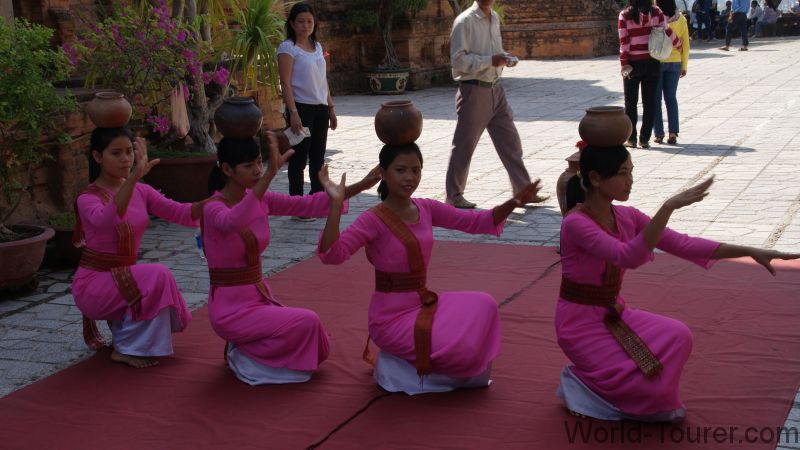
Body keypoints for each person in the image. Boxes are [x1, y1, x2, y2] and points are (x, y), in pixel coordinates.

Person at [555, 144, 799, 421]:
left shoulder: (627, 216)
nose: (630, 180)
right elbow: (627, 256)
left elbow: (683, 243)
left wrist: (749, 250)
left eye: (631, 172)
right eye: (623, 173)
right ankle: (579, 383)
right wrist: (668, 207)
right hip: (579, 325)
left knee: (677, 335)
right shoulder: (575, 223)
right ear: (596, 178)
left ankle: (612, 389)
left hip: (613, 313)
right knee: (647, 393)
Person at [317, 143, 541, 394]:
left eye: (416, 170)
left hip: (422, 304)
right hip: (389, 319)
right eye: (401, 170)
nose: (409, 178)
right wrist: (336, 205)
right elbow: (333, 254)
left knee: (485, 305)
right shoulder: (373, 219)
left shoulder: (426, 208)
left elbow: (477, 221)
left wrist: (514, 202)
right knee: (456, 345)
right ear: (383, 172)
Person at [202, 132, 379, 385]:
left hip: (258, 299)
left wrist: (362, 185)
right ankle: (241, 355)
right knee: (307, 322)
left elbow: (310, 204)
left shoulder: (261, 200)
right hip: (228, 310)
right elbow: (233, 221)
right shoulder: (213, 208)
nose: (257, 170)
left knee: (311, 337)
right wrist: (270, 175)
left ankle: (245, 346)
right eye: (249, 165)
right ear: (227, 169)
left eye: (259, 162)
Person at [72, 127, 201, 368]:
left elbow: (181, 212)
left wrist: (221, 202)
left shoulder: (141, 191)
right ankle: (126, 347)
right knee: (157, 275)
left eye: (129, 151)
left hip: (121, 279)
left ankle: (126, 333)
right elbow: (107, 220)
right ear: (98, 156)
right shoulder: (87, 198)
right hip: (93, 285)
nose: (126, 159)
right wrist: (133, 178)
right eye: (116, 153)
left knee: (153, 277)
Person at [445, 0, 546, 209]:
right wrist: (490, 60)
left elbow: (494, 51)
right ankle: (454, 195)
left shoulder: (494, 18)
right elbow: (457, 60)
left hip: (496, 89)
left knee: (510, 142)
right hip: (474, 90)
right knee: (464, 145)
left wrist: (505, 58)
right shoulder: (464, 21)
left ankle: (522, 190)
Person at [277, 2, 337, 221]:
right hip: (301, 109)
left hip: (320, 109)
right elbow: (285, 83)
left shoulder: (317, 47)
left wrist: (331, 108)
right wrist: (293, 112)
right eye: (301, 21)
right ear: (292, 24)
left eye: (309, 21)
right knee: (299, 157)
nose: (305, 25)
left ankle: (316, 200)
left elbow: (322, 81)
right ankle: (297, 206)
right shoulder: (288, 48)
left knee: (318, 157)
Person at [619, 0, 682, 149]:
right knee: (649, 102)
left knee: (631, 103)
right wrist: (678, 44)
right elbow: (666, 31)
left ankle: (631, 138)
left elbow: (624, 42)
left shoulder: (625, 15)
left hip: (632, 64)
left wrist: (624, 63)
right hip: (652, 62)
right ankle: (644, 139)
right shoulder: (656, 12)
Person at [654, 0, 691, 145]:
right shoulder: (681, 19)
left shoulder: (655, 18)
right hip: (675, 62)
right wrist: (684, 65)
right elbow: (686, 44)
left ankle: (658, 133)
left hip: (657, 61)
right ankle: (673, 132)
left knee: (655, 99)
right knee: (671, 98)